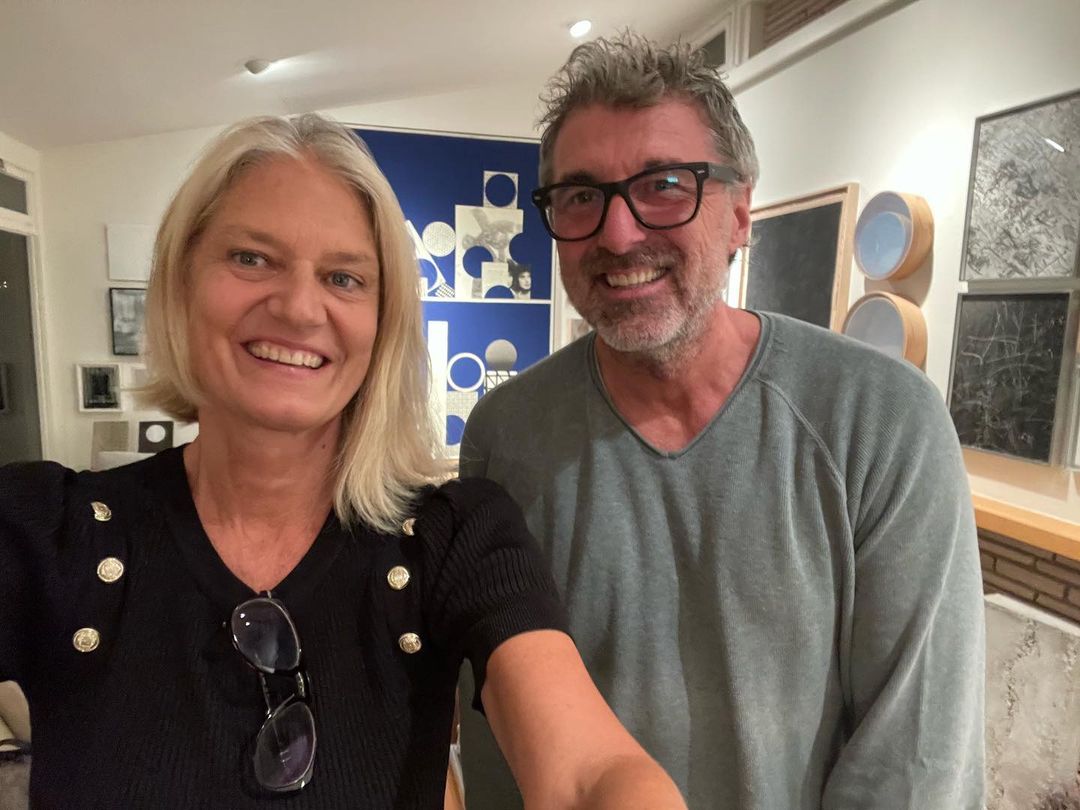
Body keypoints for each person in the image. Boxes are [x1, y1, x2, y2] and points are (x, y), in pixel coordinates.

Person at [0, 113, 687, 809]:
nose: (300, 308)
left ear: (384, 322)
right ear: (181, 282)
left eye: (343, 277)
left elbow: (588, 773)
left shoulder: (453, 536)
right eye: (251, 258)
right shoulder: (45, 530)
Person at [458, 32, 985, 810]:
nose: (618, 234)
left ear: (740, 214)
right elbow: (500, 728)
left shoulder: (880, 422)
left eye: (665, 185)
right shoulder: (507, 436)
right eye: (580, 196)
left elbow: (914, 766)